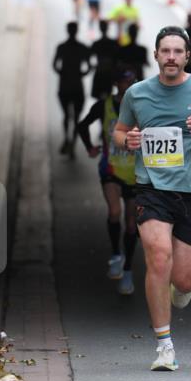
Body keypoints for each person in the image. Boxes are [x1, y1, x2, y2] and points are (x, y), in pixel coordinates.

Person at [113, 26, 191, 371]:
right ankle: (164, 346)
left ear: (186, 56)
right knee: (158, 256)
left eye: (177, 52)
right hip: (152, 189)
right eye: (165, 51)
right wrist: (128, 141)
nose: (170, 57)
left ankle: (180, 290)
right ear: (155, 55)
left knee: (183, 280)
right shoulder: (137, 94)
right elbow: (120, 132)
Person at [78, 70, 139, 295]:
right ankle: (115, 253)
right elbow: (82, 125)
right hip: (110, 168)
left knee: (132, 224)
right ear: (116, 83)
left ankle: (129, 269)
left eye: (131, 81)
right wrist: (90, 148)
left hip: (135, 172)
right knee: (114, 212)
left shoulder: (142, 106)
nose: (127, 85)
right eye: (123, 81)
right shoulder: (104, 106)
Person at [52, 22, 92, 158]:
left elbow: (54, 65)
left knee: (66, 115)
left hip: (64, 85)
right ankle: (72, 144)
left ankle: (67, 139)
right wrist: (80, 74)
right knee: (75, 117)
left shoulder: (62, 47)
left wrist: (63, 73)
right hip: (77, 86)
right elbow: (89, 66)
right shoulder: (82, 48)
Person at [90, 20, 120, 100]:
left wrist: (93, 66)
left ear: (100, 28)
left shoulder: (96, 44)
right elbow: (118, 59)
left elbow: (89, 58)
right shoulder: (113, 43)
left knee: (100, 99)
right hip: (109, 73)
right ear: (107, 28)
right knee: (108, 96)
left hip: (100, 72)